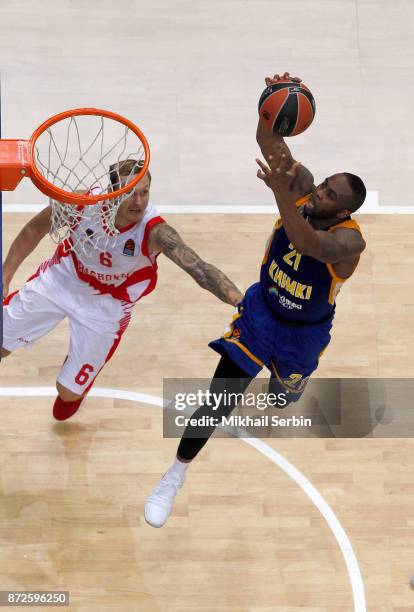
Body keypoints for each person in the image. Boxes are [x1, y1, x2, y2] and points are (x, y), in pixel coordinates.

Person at [144, 72, 367, 528]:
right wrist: (273, 104)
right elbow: (269, 141)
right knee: (217, 399)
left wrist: (281, 196)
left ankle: (287, 384)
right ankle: (175, 474)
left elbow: (308, 245)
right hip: (261, 313)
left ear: (342, 211)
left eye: (328, 195)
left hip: (303, 335)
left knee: (283, 399)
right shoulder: (300, 187)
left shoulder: (349, 243)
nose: (318, 192)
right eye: (321, 184)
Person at [1, 159, 243, 420]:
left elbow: (201, 270)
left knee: (67, 395)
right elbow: (34, 229)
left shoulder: (156, 232)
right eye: (129, 192)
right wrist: (5, 275)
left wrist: (241, 301)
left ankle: (79, 373)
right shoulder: (82, 202)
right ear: (113, 191)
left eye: (145, 192)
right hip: (64, 278)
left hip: (108, 303)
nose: (138, 202)